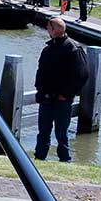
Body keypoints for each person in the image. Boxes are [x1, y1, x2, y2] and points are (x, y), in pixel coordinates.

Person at [34, 18, 89, 162]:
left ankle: (65, 159)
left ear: (55, 29)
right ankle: (39, 158)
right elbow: (41, 72)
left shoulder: (73, 49)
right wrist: (40, 90)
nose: (47, 30)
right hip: (46, 97)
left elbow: (82, 75)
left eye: (48, 28)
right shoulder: (48, 48)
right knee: (43, 131)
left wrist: (66, 94)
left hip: (62, 99)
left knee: (61, 132)